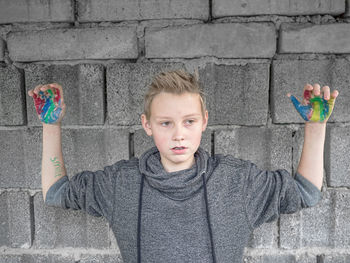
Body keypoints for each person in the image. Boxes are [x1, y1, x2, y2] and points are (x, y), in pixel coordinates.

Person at [28, 69, 339, 263]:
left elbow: (305, 193)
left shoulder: (236, 182)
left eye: (189, 121)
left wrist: (316, 126)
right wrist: (50, 125)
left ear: (203, 122)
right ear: (146, 125)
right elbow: (56, 192)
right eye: (166, 123)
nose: (178, 134)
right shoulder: (119, 184)